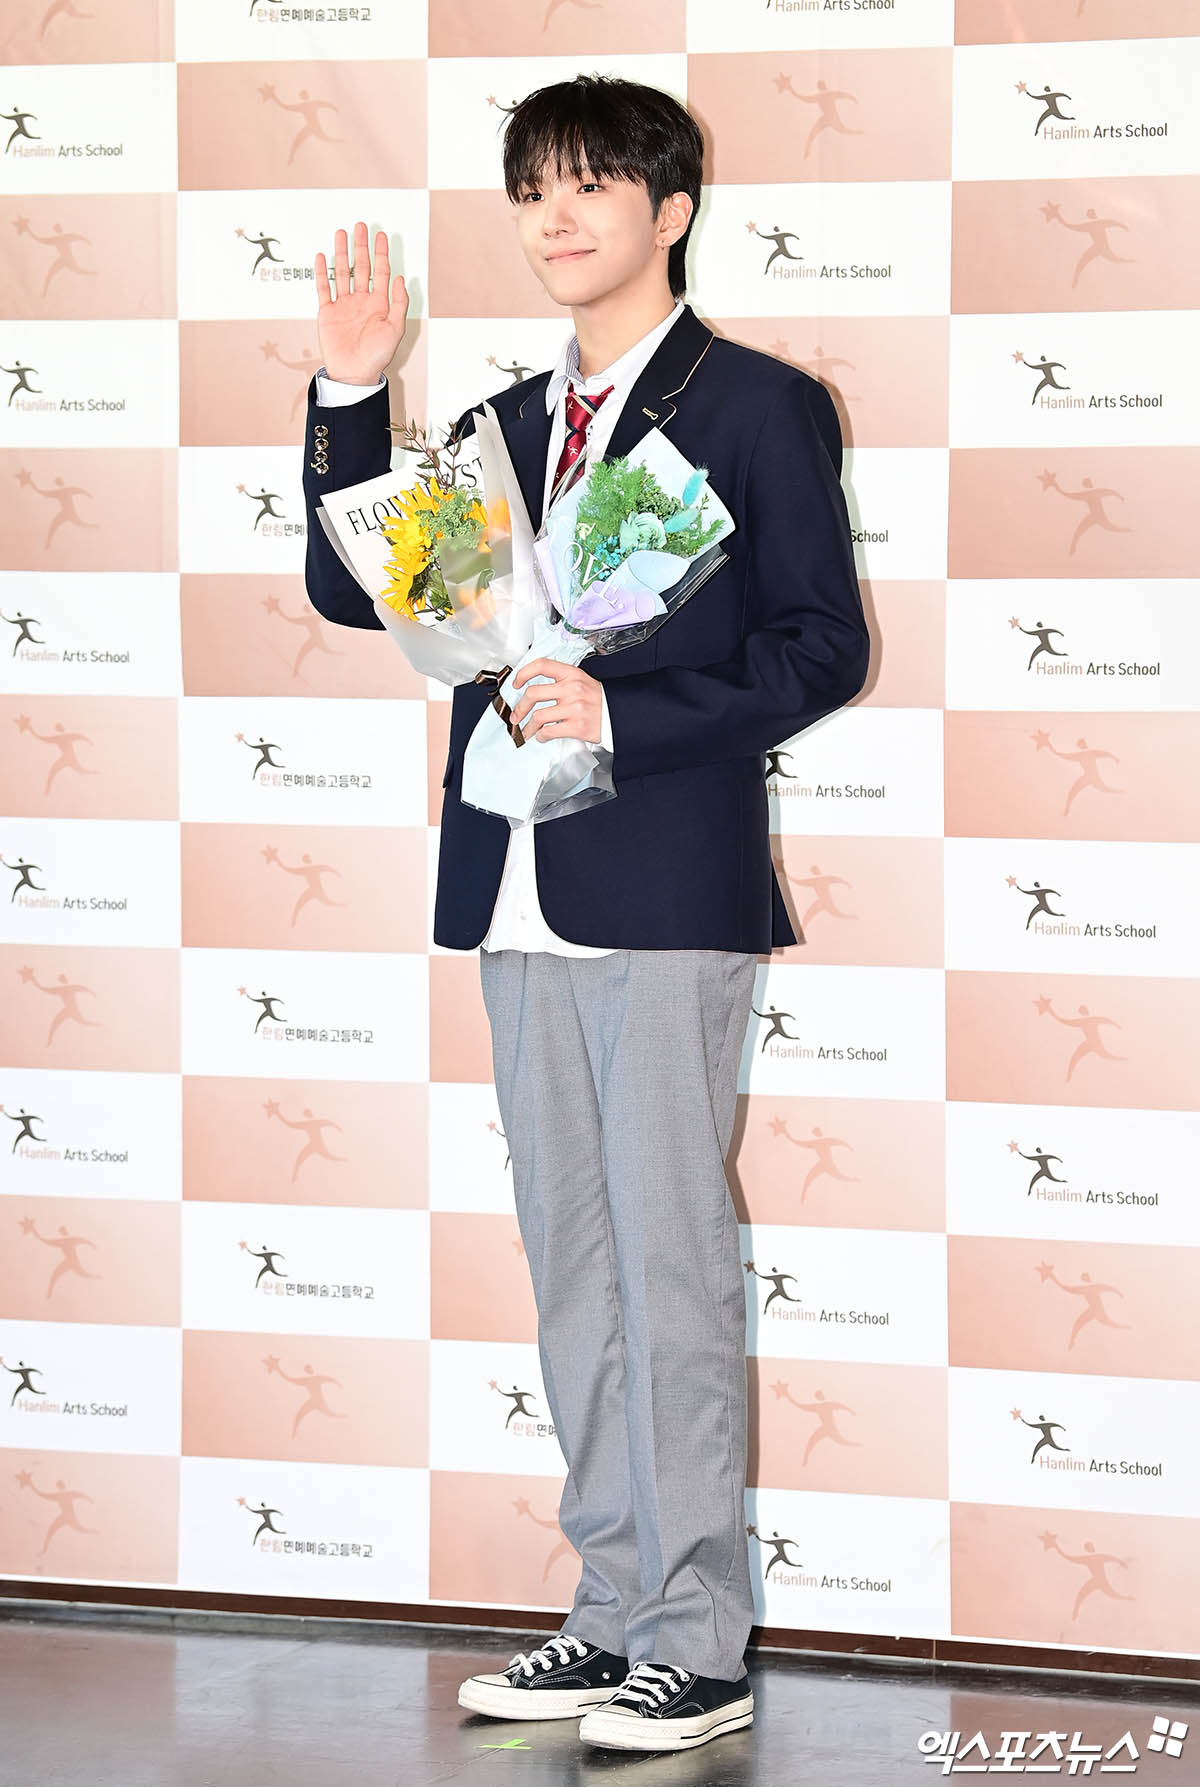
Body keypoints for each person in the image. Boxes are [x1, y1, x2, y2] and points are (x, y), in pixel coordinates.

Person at [301, 72, 869, 1754]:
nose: (556, 216)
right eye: (534, 188)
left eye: (592, 185)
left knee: (669, 1264)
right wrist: (353, 389)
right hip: (515, 881)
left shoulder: (756, 405)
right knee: (576, 1269)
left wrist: (629, 711)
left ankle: (698, 1640)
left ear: (671, 210)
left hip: (663, 886)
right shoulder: (493, 421)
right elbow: (355, 583)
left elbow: (821, 648)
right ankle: (613, 1608)